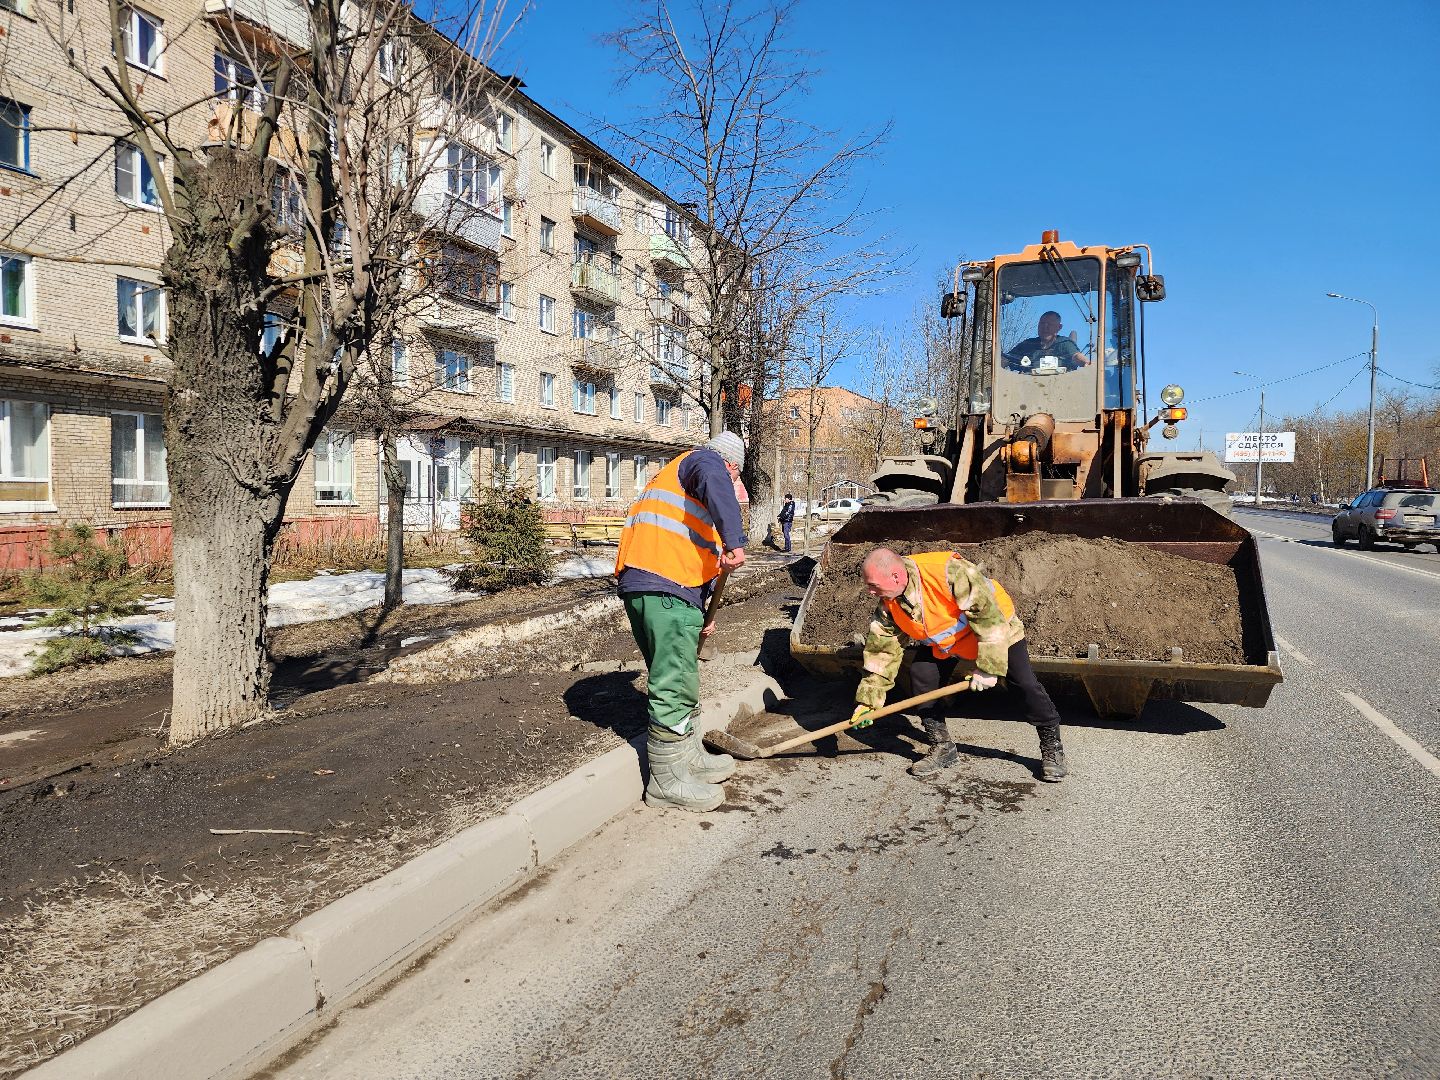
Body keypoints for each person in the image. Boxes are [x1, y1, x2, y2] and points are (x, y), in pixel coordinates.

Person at [850, 547, 1068, 782]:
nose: (870, 592)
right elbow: (882, 650)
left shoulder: (947, 572)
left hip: (997, 632)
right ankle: (942, 746)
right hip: (947, 643)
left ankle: (1052, 747)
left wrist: (989, 667)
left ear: (896, 576)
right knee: (922, 676)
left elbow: (987, 616)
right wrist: (869, 700)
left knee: (1023, 684)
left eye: (873, 585)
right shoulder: (888, 602)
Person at [616, 431, 749, 812]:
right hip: (665, 586)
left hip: (658, 586)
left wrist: (700, 611)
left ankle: (687, 759)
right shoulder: (705, 462)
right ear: (732, 466)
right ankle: (666, 780)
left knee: (681, 673)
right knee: (674, 682)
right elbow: (715, 478)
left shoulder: (673, 479)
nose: (731, 486)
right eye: (735, 479)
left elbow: (689, 546)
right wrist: (735, 541)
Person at [1002, 310, 1091, 374]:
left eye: (1050, 324)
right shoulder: (1027, 344)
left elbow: (1076, 356)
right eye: (1042, 324)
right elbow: (1007, 359)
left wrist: (1086, 363)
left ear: (1059, 327)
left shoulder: (1064, 343)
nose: (1045, 327)